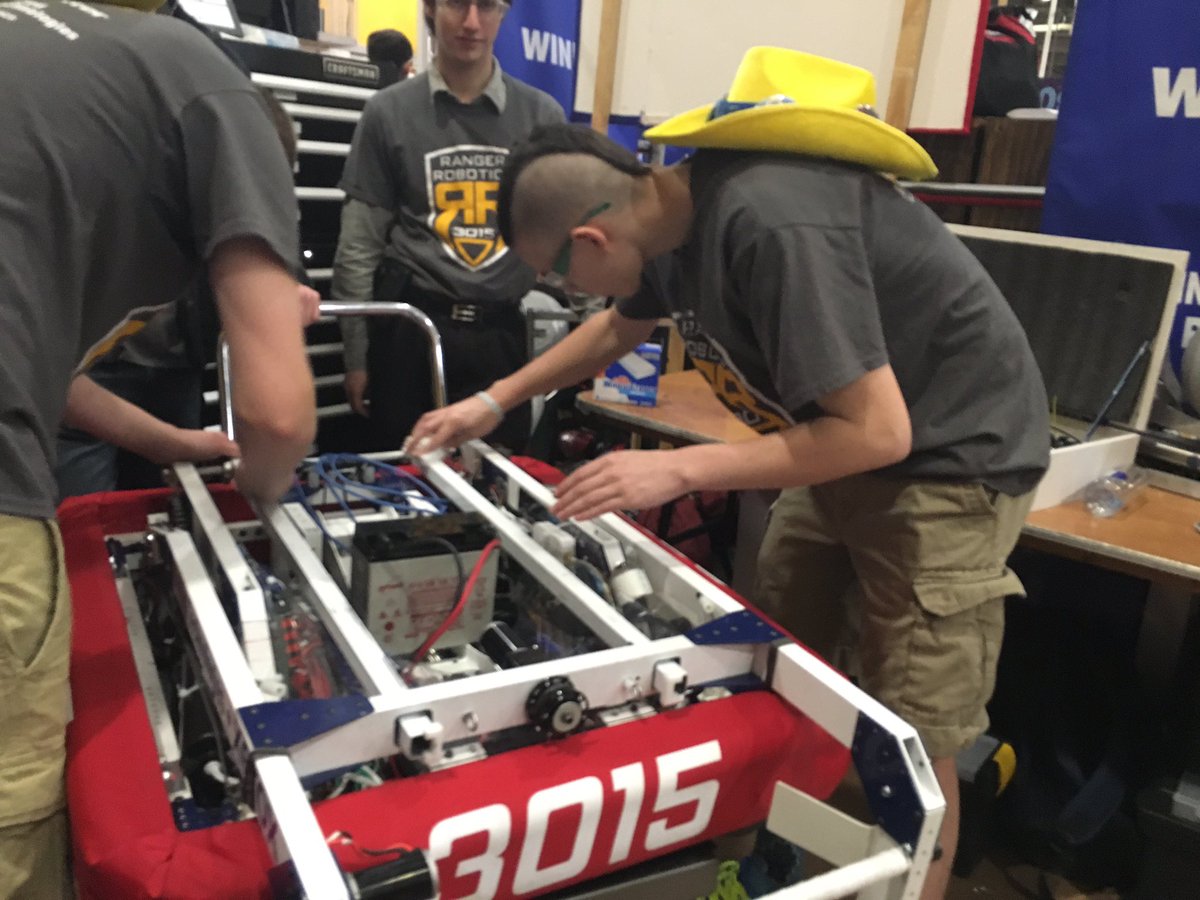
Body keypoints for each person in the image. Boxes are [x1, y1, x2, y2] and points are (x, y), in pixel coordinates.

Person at [406, 48, 1051, 900]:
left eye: (560, 273)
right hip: (846, 455)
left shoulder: (767, 220)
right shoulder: (669, 217)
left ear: (591, 236)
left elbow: (881, 430)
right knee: (779, 667)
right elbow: (615, 330)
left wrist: (677, 473)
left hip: (951, 465)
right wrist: (494, 399)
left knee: (911, 738)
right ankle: (776, 864)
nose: (566, 291)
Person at [0, 1, 317, 896]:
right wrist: (259, 497)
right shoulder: (216, 96)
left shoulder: (63, 79)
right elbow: (283, 416)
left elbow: (41, 372)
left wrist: (174, 443)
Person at [54, 87, 314, 500]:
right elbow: (280, 422)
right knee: (78, 517)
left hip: (166, 367)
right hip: (81, 382)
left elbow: (55, 377)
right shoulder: (73, 215)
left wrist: (167, 442)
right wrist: (262, 483)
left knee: (162, 506)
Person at [333, 0, 564, 453]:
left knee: (500, 495)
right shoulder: (388, 112)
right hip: (411, 336)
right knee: (402, 491)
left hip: (501, 336)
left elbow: (567, 237)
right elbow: (358, 247)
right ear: (431, 10)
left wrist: (593, 331)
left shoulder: (542, 117)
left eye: (488, 6)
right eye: (458, 3)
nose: (473, 22)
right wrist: (356, 357)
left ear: (505, 12)